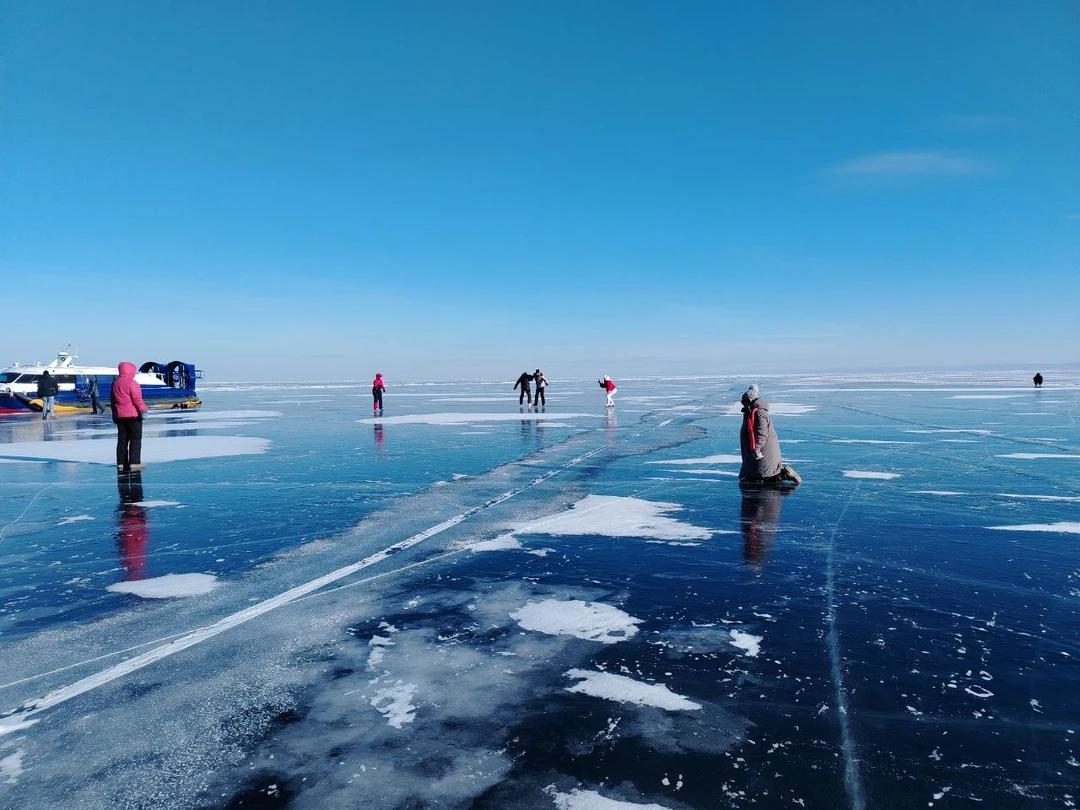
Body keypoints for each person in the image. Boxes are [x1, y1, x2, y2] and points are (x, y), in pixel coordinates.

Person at [739, 384, 801, 486]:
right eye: (743, 402)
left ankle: (785, 474)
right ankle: (783, 474)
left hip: (762, 450)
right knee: (756, 475)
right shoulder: (751, 413)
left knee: (764, 476)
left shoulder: (759, 413)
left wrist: (757, 449)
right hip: (757, 450)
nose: (743, 404)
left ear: (751, 401)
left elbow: (761, 433)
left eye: (745, 401)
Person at [111, 361, 148, 472]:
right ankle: (135, 462)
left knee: (122, 440)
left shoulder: (115, 383)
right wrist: (143, 411)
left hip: (120, 416)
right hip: (133, 415)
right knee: (135, 439)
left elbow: (113, 400)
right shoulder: (133, 383)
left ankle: (121, 463)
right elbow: (137, 399)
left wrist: (114, 413)